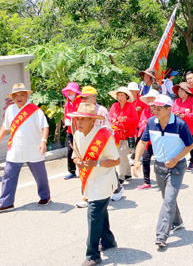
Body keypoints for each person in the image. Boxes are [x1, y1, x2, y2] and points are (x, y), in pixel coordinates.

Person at [133, 95, 193, 247]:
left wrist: (175, 159)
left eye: (159, 107)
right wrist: (136, 161)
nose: (155, 110)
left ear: (169, 109)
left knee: (168, 199)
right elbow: (142, 141)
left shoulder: (180, 124)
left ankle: (161, 235)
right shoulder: (151, 122)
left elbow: (190, 145)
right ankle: (177, 221)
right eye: (154, 107)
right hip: (159, 166)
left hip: (177, 167)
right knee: (168, 198)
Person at [69, 103, 120, 266]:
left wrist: (95, 163)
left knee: (93, 214)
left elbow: (116, 160)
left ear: (93, 121)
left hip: (104, 182)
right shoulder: (77, 134)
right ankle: (108, 241)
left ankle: (92, 255)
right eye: (78, 119)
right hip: (89, 181)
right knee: (100, 213)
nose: (80, 122)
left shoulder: (104, 136)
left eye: (84, 119)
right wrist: (78, 161)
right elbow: (75, 155)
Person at [0, 83, 50, 213]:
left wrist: (43, 141)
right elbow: (5, 127)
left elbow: (45, 126)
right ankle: (6, 203)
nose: (19, 98)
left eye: (22, 95)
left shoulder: (35, 110)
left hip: (33, 148)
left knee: (40, 175)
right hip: (15, 149)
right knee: (8, 175)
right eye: (16, 95)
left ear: (26, 95)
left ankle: (45, 196)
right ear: (12, 97)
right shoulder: (10, 110)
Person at [76, 86, 124, 207]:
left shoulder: (101, 110)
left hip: (101, 144)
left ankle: (117, 188)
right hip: (86, 143)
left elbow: (108, 129)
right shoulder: (81, 109)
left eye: (86, 98)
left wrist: (102, 139)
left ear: (94, 98)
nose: (83, 100)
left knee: (107, 168)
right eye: (82, 98)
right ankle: (86, 196)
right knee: (85, 167)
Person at [109, 87, 138, 183]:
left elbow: (135, 120)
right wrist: (114, 121)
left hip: (129, 134)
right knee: (121, 155)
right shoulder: (114, 106)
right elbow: (110, 117)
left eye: (122, 95)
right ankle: (128, 173)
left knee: (122, 154)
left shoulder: (131, 107)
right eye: (118, 95)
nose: (119, 97)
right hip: (117, 134)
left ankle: (121, 176)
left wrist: (126, 120)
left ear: (126, 97)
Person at [171, 82, 193, 170]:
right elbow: (172, 112)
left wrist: (184, 116)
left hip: (191, 128)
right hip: (179, 128)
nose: (180, 93)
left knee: (192, 145)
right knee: (179, 145)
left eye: (182, 91)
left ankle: (192, 161)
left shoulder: (192, 100)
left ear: (186, 92)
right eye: (179, 91)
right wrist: (177, 114)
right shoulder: (176, 101)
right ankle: (179, 161)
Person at [135, 89, 159, 190]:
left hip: (158, 140)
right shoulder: (145, 111)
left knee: (161, 162)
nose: (150, 99)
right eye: (148, 97)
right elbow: (140, 123)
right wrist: (144, 124)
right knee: (145, 159)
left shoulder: (160, 110)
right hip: (148, 141)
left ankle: (165, 180)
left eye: (152, 97)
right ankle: (146, 181)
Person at [63, 82, 82, 180]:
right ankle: (72, 171)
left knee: (82, 149)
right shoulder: (67, 104)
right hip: (70, 130)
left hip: (80, 130)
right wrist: (66, 121)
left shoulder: (81, 102)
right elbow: (66, 115)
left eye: (71, 91)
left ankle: (85, 168)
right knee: (70, 150)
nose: (69, 93)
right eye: (68, 91)